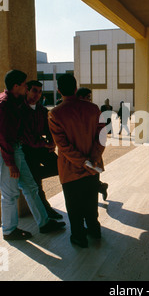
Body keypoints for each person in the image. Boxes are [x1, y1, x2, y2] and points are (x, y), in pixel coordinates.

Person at [0, 70, 65, 241]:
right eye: (24, 84)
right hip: (7, 152)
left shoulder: (10, 101)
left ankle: (44, 223)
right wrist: (11, 163)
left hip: (15, 150)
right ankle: (9, 230)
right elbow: (3, 136)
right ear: (17, 86)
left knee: (30, 187)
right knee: (10, 194)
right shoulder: (5, 103)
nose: (26, 87)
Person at [48, 74, 106, 248]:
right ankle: (95, 230)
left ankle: (79, 237)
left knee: (74, 207)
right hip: (93, 168)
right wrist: (93, 159)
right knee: (90, 202)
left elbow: (63, 146)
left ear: (59, 91)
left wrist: (82, 161)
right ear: (75, 88)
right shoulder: (94, 109)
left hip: (70, 169)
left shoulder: (55, 114)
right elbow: (102, 137)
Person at [20, 80, 62, 219]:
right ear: (27, 91)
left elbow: (49, 128)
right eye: (34, 90)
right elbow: (25, 136)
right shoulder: (20, 109)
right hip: (27, 151)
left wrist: (52, 142)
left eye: (39, 91)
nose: (37, 94)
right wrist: (44, 144)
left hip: (41, 148)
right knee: (37, 186)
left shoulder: (42, 110)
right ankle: (47, 211)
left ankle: (34, 175)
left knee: (60, 166)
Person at [76, 88, 109, 201]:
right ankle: (101, 187)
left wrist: (96, 155)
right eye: (88, 97)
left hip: (92, 153)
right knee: (85, 182)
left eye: (90, 97)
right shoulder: (74, 111)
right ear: (80, 97)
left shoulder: (94, 111)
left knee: (92, 179)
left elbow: (102, 134)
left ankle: (100, 187)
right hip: (80, 154)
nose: (90, 100)